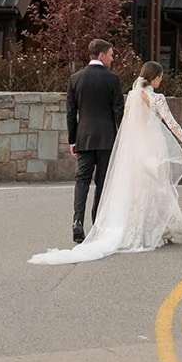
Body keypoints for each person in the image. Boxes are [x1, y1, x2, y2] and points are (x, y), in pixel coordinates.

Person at [30, 60, 182, 265]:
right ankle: (152, 231)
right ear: (154, 78)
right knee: (154, 187)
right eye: (160, 77)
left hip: (134, 149)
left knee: (136, 190)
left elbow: (125, 124)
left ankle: (133, 229)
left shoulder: (133, 97)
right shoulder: (157, 99)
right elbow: (171, 123)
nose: (161, 81)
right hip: (152, 147)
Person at [65, 38, 123, 243]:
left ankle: (77, 222)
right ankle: (97, 223)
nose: (113, 58)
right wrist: (122, 138)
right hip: (107, 138)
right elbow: (119, 112)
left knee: (82, 180)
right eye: (111, 54)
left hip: (84, 137)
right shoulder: (112, 80)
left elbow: (71, 113)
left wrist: (73, 140)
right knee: (102, 181)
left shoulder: (75, 78)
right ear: (101, 55)